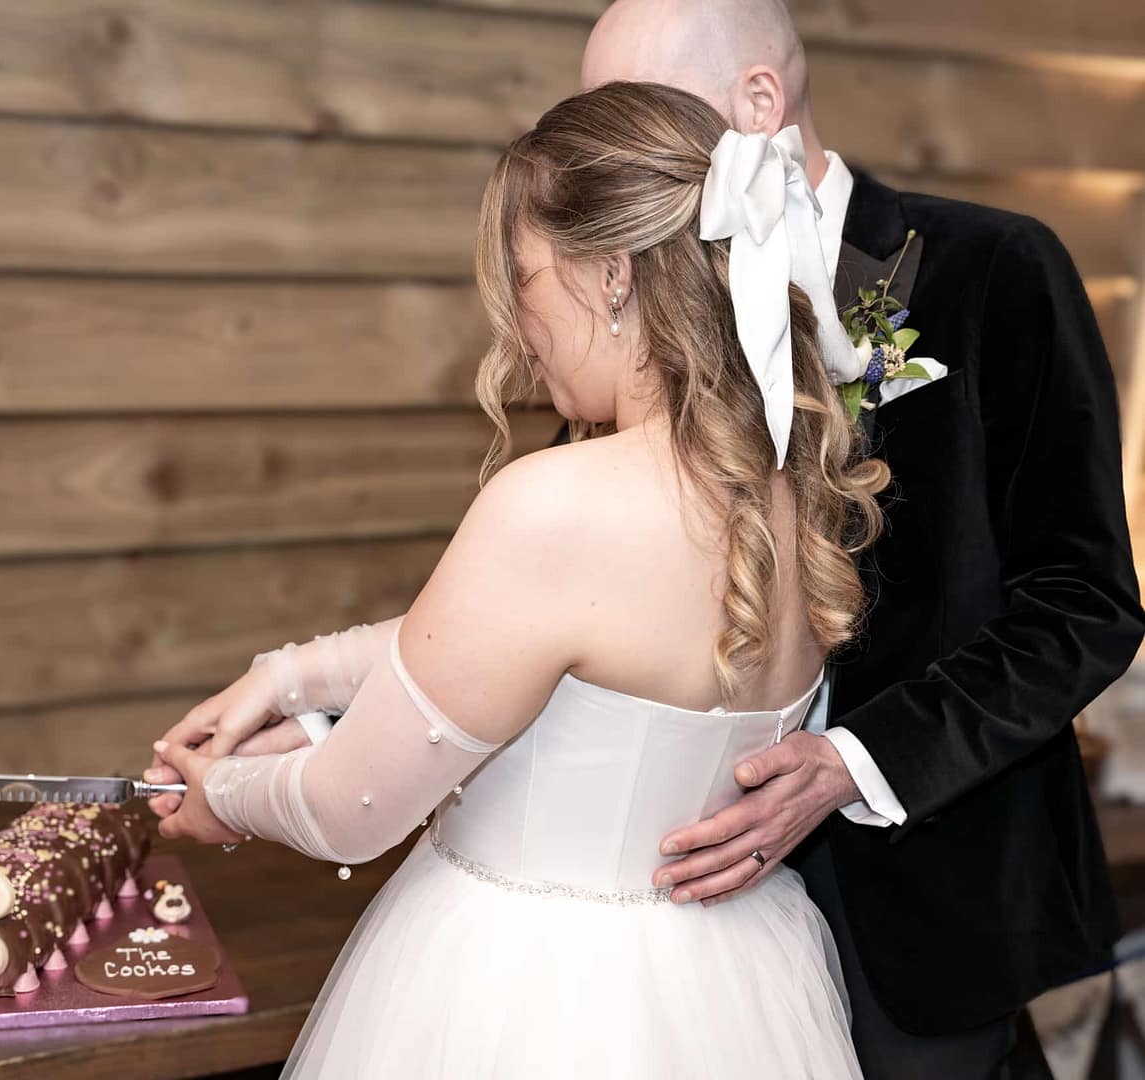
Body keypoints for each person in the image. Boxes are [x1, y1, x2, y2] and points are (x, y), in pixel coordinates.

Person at [146, 80, 889, 1076]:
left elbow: (346, 807)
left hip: (529, 1000)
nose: (518, 332)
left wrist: (219, 795)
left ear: (610, 275)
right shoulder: (787, 489)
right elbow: (497, 640)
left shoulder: (554, 500)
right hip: (726, 985)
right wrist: (286, 677)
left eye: (526, 279)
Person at [573, 1, 1142, 1077]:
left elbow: (1081, 605)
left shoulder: (993, 267)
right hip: (688, 892)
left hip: (927, 886)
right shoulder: (634, 307)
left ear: (757, 101)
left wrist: (853, 762)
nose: (614, 147)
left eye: (636, 108)